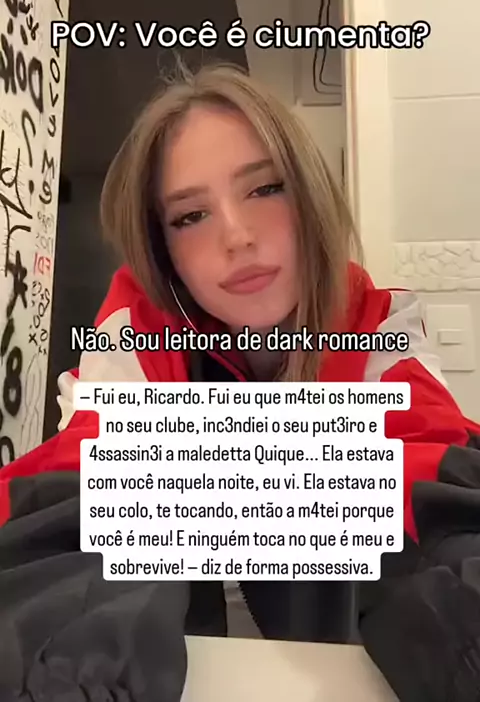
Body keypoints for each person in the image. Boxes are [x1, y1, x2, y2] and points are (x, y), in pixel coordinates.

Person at [1, 62, 480, 702]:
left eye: (265, 189)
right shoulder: (136, 325)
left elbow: (426, 477)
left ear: (310, 195)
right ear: (164, 250)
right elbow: (81, 494)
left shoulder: (380, 319)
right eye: (190, 216)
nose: (236, 235)